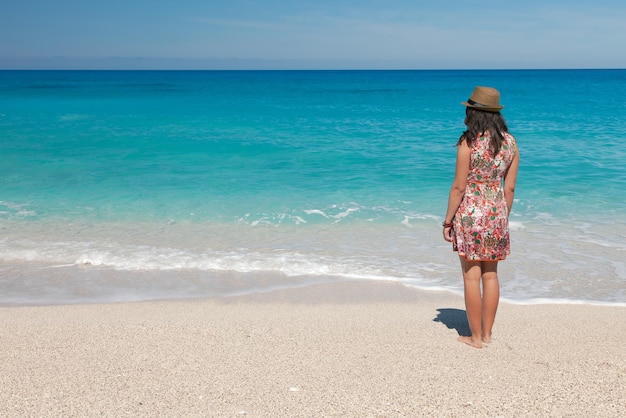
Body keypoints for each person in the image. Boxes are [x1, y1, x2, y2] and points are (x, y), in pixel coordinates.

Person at [443, 86, 519, 349]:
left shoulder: (468, 142)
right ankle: (487, 334)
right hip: (497, 214)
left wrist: (448, 221)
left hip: (471, 215)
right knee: (491, 276)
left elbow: (459, 187)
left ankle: (475, 338)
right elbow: (509, 188)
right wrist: (501, 216)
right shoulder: (510, 142)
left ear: (472, 113)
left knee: (471, 277)